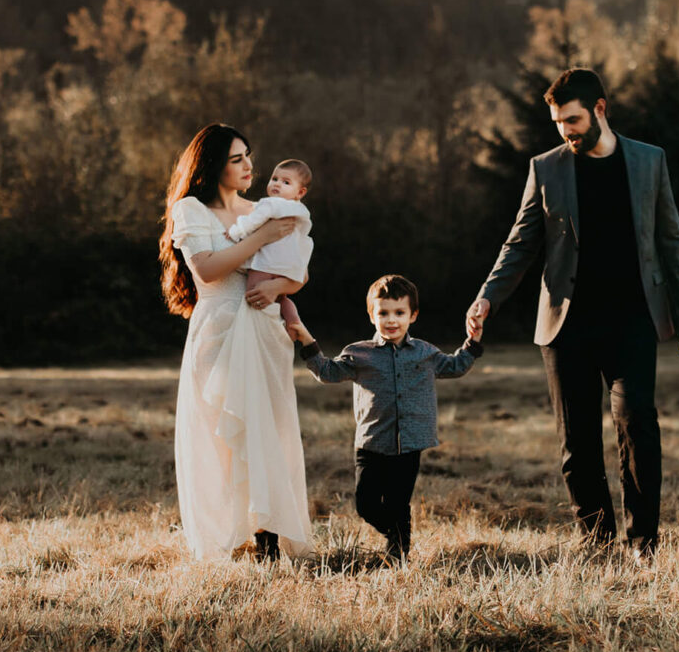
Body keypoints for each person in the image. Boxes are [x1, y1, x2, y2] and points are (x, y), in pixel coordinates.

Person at [465, 68, 679, 561]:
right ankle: (595, 543)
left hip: (634, 318)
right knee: (577, 443)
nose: (565, 131)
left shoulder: (648, 161)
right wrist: (487, 296)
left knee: (638, 426)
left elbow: (671, 239)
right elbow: (521, 242)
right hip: (565, 325)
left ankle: (643, 543)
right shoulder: (546, 167)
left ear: (599, 109)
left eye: (572, 119)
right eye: (557, 123)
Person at [160, 124, 314, 562]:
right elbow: (208, 269)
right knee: (223, 436)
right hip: (218, 329)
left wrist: (279, 285)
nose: (249, 166)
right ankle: (227, 536)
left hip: (265, 330)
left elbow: (299, 266)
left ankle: (268, 537)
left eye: (248, 155)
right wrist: (261, 238)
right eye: (236, 159)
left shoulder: (262, 207)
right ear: (212, 166)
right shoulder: (191, 209)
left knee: (268, 432)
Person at [288, 274, 483, 561]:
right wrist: (307, 342)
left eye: (399, 313)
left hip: (410, 444)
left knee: (398, 502)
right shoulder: (359, 354)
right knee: (366, 505)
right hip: (371, 443)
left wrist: (473, 342)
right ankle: (394, 534)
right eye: (383, 313)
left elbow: (455, 366)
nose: (391, 320)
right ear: (372, 316)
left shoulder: (425, 353)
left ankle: (398, 555)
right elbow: (327, 372)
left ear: (412, 315)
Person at [227, 158, 314, 328]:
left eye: (286, 182)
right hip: (289, 266)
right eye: (275, 179)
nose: (277, 184)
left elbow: (252, 222)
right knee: (281, 297)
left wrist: (234, 233)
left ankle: (263, 327)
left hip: (267, 262)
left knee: (254, 292)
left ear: (300, 192)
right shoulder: (300, 210)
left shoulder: (270, 204)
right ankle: (293, 321)